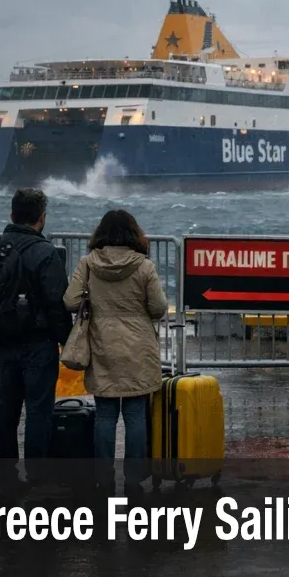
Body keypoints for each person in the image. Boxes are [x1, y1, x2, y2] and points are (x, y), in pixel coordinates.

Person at [64, 209, 168, 494]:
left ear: (101, 234)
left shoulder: (88, 264)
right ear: (135, 235)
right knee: (135, 415)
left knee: (105, 416)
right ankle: (134, 479)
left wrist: (91, 299)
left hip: (102, 345)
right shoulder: (144, 266)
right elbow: (159, 308)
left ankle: (104, 478)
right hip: (138, 348)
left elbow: (70, 300)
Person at [0, 188, 72, 495]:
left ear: (12, 215)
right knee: (38, 411)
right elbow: (57, 302)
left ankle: (4, 473)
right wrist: (67, 341)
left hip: (4, 341)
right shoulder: (45, 252)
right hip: (38, 343)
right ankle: (38, 477)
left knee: (7, 407)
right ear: (42, 218)